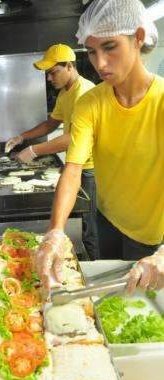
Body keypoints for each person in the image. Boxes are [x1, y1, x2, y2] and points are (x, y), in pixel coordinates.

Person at [36, 0, 164, 294]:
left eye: (110, 47)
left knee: (139, 313)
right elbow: (73, 169)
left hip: (151, 236)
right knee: (106, 301)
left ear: (139, 37)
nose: (100, 64)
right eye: (92, 52)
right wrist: (55, 231)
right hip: (107, 220)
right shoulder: (90, 104)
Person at [5, 44, 100, 260]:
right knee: (76, 219)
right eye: (47, 74)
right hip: (75, 165)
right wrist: (22, 137)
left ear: (69, 66)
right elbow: (50, 124)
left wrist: (33, 150)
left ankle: (91, 265)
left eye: (53, 72)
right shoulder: (65, 93)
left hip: (90, 169)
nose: (49, 78)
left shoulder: (84, 92)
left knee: (88, 224)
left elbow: (73, 138)